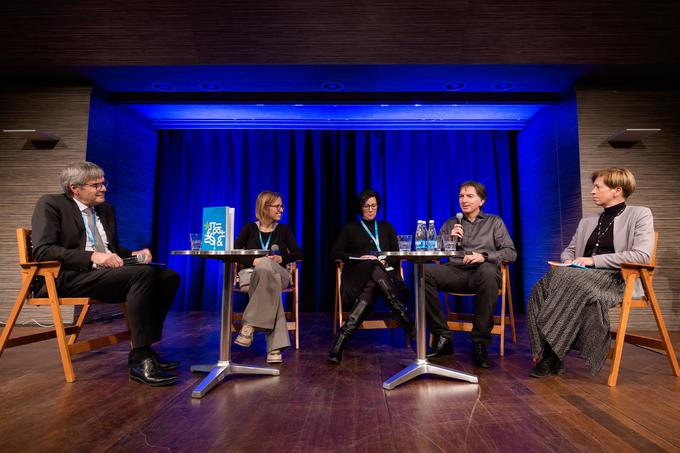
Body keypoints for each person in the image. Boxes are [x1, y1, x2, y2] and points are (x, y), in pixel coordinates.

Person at [31, 161, 181, 386]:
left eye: (103, 183)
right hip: (67, 277)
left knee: (169, 277)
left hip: (102, 276)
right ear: (75, 188)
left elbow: (112, 250)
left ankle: (144, 350)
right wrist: (92, 256)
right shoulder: (51, 204)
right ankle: (141, 358)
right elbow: (43, 250)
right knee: (142, 275)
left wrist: (134, 253)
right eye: (96, 185)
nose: (104, 188)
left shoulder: (105, 210)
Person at [527, 168, 654, 378]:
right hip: (577, 276)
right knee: (541, 287)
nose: (593, 191)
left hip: (616, 277)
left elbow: (641, 255)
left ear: (617, 190)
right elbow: (568, 250)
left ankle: (553, 357)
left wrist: (592, 260)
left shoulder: (639, 214)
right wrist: (569, 262)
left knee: (565, 279)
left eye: (598, 187)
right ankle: (552, 353)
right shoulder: (587, 221)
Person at [424, 181, 517, 368]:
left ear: (481, 201)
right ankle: (443, 337)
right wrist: (448, 239)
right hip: (455, 271)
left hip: (482, 274)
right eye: (461, 196)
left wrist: (483, 256)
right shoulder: (451, 222)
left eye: (469, 196)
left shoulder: (494, 222)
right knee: (423, 272)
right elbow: (435, 253)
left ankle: (480, 342)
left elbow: (510, 252)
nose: (464, 200)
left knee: (489, 272)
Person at [328, 189, 415, 364]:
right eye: (366, 206)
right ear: (360, 208)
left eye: (374, 206)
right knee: (372, 265)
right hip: (357, 276)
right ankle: (405, 318)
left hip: (385, 276)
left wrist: (382, 260)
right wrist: (361, 258)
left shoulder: (386, 227)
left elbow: (396, 254)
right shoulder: (350, 228)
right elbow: (335, 254)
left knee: (373, 278)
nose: (370, 209)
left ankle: (341, 340)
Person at [233, 191, 302, 364]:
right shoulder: (249, 228)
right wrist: (254, 260)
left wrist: (281, 259)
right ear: (265, 207)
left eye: (282, 206)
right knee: (267, 276)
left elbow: (299, 253)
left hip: (280, 274)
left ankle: (249, 324)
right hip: (252, 277)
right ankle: (275, 348)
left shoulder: (284, 230)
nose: (281, 210)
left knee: (268, 267)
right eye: (277, 206)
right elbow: (233, 252)